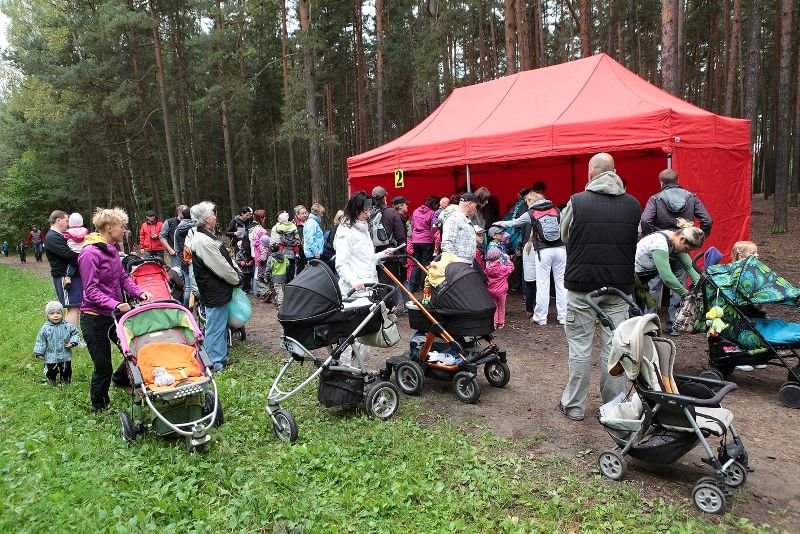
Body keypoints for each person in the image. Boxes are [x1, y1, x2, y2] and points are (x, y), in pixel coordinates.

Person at [558, 153, 641, 422]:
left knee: (580, 348)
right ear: (615, 172)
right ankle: (614, 407)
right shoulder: (633, 204)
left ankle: (574, 406)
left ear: (591, 174)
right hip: (618, 288)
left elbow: (564, 235)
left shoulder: (577, 202)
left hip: (582, 287)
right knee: (615, 348)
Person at [78, 208, 153, 412]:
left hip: (114, 314)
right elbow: (91, 290)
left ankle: (121, 380)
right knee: (103, 366)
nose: (124, 230)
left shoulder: (111, 250)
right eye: (122, 226)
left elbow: (122, 278)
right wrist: (115, 304)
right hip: (94, 318)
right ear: (109, 228)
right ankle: (99, 406)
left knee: (134, 350)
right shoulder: (90, 253)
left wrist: (139, 293)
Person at [640, 169, 713, 334]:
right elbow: (707, 220)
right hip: (683, 246)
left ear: (661, 182)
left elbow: (645, 220)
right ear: (677, 180)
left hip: (659, 247)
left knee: (654, 286)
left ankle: (649, 325)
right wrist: (698, 238)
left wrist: (650, 237)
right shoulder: (691, 197)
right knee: (678, 285)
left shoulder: (655, 199)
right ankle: (675, 325)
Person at [494, 190, 567, 325]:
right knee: (561, 283)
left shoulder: (531, 213)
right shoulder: (556, 210)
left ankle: (541, 317)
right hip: (560, 249)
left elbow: (514, 223)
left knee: (542, 283)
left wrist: (499, 223)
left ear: (529, 201)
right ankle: (563, 317)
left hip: (543, 251)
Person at [191, 201, 243, 371]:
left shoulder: (206, 236)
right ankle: (213, 362)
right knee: (215, 326)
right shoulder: (202, 240)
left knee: (220, 324)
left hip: (218, 289)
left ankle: (220, 356)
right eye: (213, 214)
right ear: (206, 219)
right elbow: (220, 266)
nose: (215, 216)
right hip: (214, 289)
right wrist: (236, 279)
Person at [634, 219, 704, 319]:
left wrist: (700, 289)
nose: (685, 252)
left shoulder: (675, 240)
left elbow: (689, 267)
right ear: (682, 240)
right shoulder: (659, 242)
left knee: (638, 318)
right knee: (631, 318)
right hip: (631, 281)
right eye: (687, 249)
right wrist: (686, 294)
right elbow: (667, 276)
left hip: (641, 281)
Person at [334, 191, 394, 296]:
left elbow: (365, 259)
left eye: (369, 210)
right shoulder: (345, 231)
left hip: (370, 288)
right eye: (365, 211)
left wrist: (382, 255)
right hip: (354, 292)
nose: (368, 214)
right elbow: (341, 264)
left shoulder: (363, 227)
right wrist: (354, 281)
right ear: (355, 209)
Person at [372, 187, 407, 312]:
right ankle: (391, 311)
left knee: (379, 283)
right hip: (390, 253)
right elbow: (400, 237)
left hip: (373, 254)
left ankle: (382, 310)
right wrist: (403, 257)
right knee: (391, 284)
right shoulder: (392, 213)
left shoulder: (369, 213)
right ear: (385, 197)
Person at [44, 210, 81, 327]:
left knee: (74, 307)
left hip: (70, 276)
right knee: (73, 307)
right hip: (64, 277)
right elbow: (68, 255)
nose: (68, 224)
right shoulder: (52, 237)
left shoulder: (59, 236)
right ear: (58, 220)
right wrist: (86, 257)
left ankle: (70, 336)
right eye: (66, 221)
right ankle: (71, 338)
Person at [34, 301, 80, 384]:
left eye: (58, 313)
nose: (55, 315)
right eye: (52, 313)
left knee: (66, 371)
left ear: (62, 314)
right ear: (47, 315)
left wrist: (73, 342)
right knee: (51, 371)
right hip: (51, 355)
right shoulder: (45, 329)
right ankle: (52, 381)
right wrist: (39, 353)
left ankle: (66, 382)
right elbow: (41, 341)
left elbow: (75, 333)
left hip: (65, 354)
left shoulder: (67, 326)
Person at [409, 196, 438, 291]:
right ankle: (423, 286)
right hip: (427, 240)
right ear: (434, 204)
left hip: (415, 240)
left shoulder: (415, 211)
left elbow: (412, 225)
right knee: (426, 263)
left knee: (416, 263)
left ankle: (413, 286)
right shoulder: (432, 213)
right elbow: (433, 228)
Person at [441, 193, 480, 263]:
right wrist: (456, 264)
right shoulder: (453, 218)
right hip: (460, 265)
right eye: (476, 206)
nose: (476, 209)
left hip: (467, 263)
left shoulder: (464, 219)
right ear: (470, 203)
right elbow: (447, 243)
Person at [484, 248, 515, 330]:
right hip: (502, 292)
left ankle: (494, 323)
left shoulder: (486, 269)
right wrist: (508, 259)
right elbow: (511, 268)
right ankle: (501, 323)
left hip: (491, 292)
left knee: (495, 307)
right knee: (501, 307)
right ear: (499, 258)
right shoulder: (503, 268)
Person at [173, 207, 195, 307]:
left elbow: (176, 248)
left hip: (184, 260)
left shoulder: (178, 229)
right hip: (196, 260)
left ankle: (187, 309)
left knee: (188, 287)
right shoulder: (196, 228)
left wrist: (181, 258)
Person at [271, 212, 301, 284]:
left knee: (288, 271)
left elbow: (279, 241)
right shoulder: (290, 226)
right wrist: (294, 242)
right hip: (287, 252)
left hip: (284, 252)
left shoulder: (278, 228)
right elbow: (296, 237)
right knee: (288, 272)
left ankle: (286, 288)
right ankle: (287, 288)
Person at [63, 213, 89, 290]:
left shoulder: (68, 231)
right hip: (83, 252)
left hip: (73, 252)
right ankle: (87, 279)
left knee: (71, 266)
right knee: (84, 267)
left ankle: (68, 278)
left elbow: (65, 238)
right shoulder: (85, 230)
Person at [266, 243, 289, 307]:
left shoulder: (271, 258)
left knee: (279, 290)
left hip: (276, 276)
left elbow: (269, 268)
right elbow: (288, 264)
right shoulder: (284, 256)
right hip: (283, 275)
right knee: (281, 289)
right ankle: (277, 300)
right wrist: (285, 270)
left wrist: (267, 276)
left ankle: (281, 304)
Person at [293, 205, 309, 275]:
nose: (305, 215)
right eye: (303, 213)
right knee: (300, 269)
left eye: (306, 213)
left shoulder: (309, 222)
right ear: (297, 215)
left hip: (308, 250)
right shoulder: (294, 225)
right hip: (299, 252)